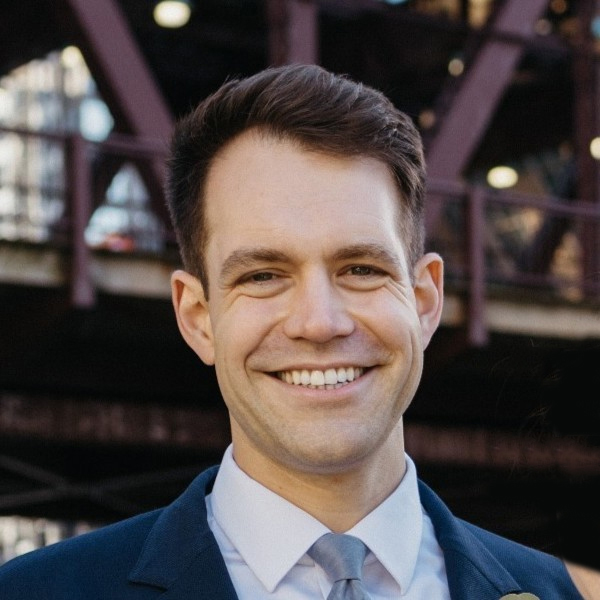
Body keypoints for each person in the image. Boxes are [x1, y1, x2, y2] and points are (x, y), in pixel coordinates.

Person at [0, 63, 598, 600]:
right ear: (197, 317)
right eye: (263, 275)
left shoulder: (550, 593)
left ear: (424, 300)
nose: (319, 322)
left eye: (361, 269)